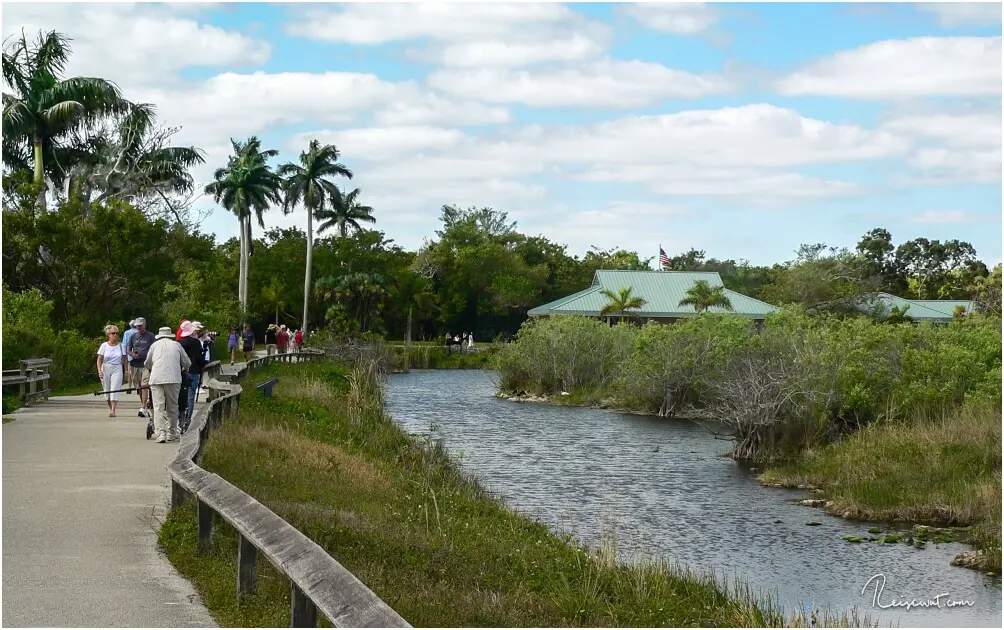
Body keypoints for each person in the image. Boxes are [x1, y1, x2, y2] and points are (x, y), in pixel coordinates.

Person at [145, 327, 191, 443]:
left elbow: (148, 363)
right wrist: (183, 368)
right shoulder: (177, 345)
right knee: (172, 407)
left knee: (158, 407)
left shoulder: (154, 345)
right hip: (173, 378)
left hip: (156, 378)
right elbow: (187, 362)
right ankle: (172, 432)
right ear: (170, 335)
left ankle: (161, 434)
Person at [126, 317, 156, 417]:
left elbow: (155, 348)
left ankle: (143, 407)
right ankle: (144, 404)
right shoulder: (133, 336)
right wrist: (132, 354)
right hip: (135, 364)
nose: (138, 327)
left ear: (144, 325)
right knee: (138, 387)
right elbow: (128, 349)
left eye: (140, 326)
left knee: (144, 385)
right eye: (137, 326)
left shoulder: (150, 336)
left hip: (146, 364)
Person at [178, 321, 206, 429]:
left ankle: (181, 417)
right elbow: (199, 358)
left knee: (181, 395)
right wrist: (203, 365)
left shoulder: (180, 343)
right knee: (191, 395)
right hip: (193, 370)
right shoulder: (196, 342)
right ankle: (188, 419)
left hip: (182, 371)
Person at [96, 324, 127, 417]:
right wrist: (99, 371)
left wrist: (126, 371)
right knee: (107, 390)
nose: (115, 335)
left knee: (115, 389)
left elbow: (124, 359)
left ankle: (113, 410)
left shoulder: (121, 346)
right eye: (113, 333)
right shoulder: (104, 346)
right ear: (108, 334)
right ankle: (110, 408)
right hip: (106, 367)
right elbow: (99, 359)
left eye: (116, 333)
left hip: (117, 367)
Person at [121, 319, 137, 383]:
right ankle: (138, 386)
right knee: (138, 370)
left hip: (129, 352)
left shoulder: (126, 332)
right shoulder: (138, 331)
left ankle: (129, 387)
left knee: (130, 370)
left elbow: (124, 344)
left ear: (130, 325)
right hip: (137, 352)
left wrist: (124, 354)